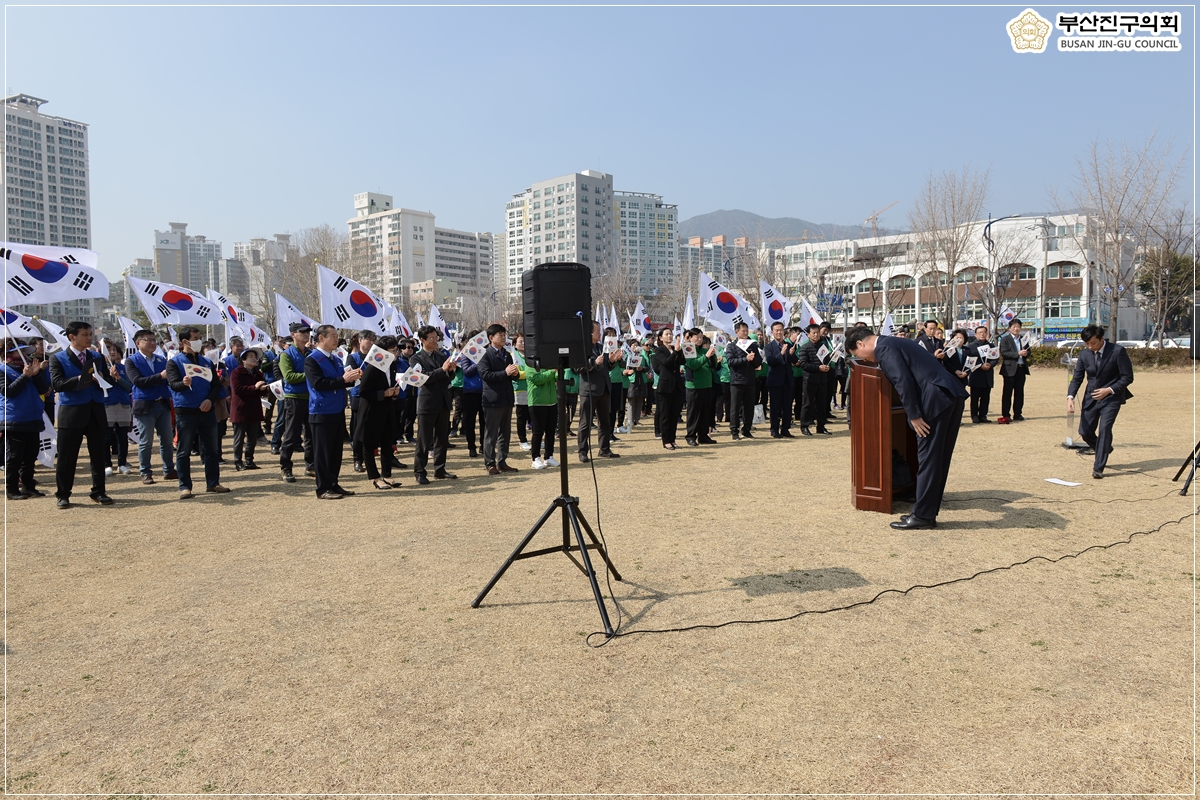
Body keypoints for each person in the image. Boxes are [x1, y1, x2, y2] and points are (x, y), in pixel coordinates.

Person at [845, 327, 968, 530]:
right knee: (939, 458)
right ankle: (925, 511)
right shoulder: (895, 342)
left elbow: (902, 380)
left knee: (929, 458)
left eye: (857, 355)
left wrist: (915, 416)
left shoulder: (883, 348)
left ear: (860, 344)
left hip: (935, 400)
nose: (864, 360)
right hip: (949, 395)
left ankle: (922, 516)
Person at [48, 321, 115, 508]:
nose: (89, 337)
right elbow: (57, 384)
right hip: (72, 411)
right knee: (67, 457)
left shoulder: (96, 356)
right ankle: (63, 494)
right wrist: (80, 378)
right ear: (72, 337)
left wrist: (110, 377)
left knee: (98, 455)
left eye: (90, 334)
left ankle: (99, 491)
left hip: (96, 410)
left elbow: (106, 380)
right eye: (84, 334)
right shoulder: (58, 358)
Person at [166, 326, 228, 499]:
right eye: (195, 338)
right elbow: (173, 385)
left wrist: (209, 399)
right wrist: (183, 383)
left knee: (212, 449)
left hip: (207, 410)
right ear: (185, 341)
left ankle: (213, 483)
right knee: (184, 450)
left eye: (199, 337)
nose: (199, 341)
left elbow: (215, 385)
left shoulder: (206, 362)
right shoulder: (174, 362)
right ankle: (185, 486)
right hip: (186, 411)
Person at [1067, 324, 1135, 479]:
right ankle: (1104, 448)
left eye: (1093, 343)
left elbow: (1127, 377)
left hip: (1112, 398)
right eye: (1087, 344)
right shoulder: (1084, 355)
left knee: (1104, 429)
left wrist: (1109, 390)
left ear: (1101, 339)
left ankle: (1098, 467)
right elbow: (1077, 378)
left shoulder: (1118, 351)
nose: (1090, 347)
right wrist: (1070, 397)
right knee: (1084, 432)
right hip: (1091, 398)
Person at [304, 324, 361, 499]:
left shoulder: (336, 359)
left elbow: (342, 382)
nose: (337, 339)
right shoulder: (312, 359)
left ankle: (333, 483)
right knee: (323, 452)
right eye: (333, 336)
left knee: (336, 451)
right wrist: (343, 379)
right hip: (321, 411)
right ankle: (323, 488)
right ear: (321, 338)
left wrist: (354, 378)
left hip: (337, 409)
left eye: (337, 336)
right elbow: (319, 384)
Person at [125, 329, 176, 485]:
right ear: (138, 343)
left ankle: (169, 469)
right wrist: (160, 376)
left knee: (167, 440)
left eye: (154, 339)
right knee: (146, 441)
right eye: (148, 340)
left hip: (162, 404)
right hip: (145, 405)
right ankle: (145, 472)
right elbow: (138, 381)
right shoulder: (131, 361)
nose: (153, 342)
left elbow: (170, 381)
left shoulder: (161, 360)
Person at [410, 325, 459, 485]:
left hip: (443, 401)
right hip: (427, 402)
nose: (435, 340)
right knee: (424, 440)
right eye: (431, 338)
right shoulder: (416, 358)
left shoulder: (440, 356)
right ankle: (420, 471)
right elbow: (422, 378)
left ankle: (440, 468)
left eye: (436, 337)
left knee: (441, 438)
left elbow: (447, 377)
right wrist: (443, 370)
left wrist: (450, 370)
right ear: (422, 340)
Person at [2, 340, 49, 500]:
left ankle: (29, 487)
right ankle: (12, 489)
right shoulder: (3, 369)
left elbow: (45, 390)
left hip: (33, 418)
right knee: (14, 457)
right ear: (9, 354)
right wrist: (25, 375)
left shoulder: (31, 369)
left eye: (26, 352)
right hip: (14, 420)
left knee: (31, 456)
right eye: (19, 352)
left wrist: (36, 375)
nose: (25, 355)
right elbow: (8, 391)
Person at [355, 334, 402, 489]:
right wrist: (383, 394)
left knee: (388, 443)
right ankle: (375, 477)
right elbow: (363, 391)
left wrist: (394, 393)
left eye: (396, 350)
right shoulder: (373, 367)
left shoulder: (393, 366)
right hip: (371, 411)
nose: (396, 354)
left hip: (387, 410)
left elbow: (389, 386)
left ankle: (387, 475)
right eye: (393, 350)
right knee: (369, 444)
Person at [576, 321, 622, 462]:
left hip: (604, 390)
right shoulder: (582, 349)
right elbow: (578, 369)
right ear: (590, 333)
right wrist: (594, 363)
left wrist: (612, 361)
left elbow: (607, 367)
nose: (600, 334)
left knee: (605, 422)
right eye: (597, 331)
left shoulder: (602, 347)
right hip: (589, 390)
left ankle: (604, 449)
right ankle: (582, 452)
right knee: (585, 423)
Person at [478, 323, 519, 475]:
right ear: (491, 338)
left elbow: (509, 374)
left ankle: (502, 461)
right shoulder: (484, 354)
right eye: (499, 335)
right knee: (491, 434)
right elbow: (486, 375)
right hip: (492, 400)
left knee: (505, 433)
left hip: (507, 398)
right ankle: (490, 463)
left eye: (504, 335)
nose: (503, 338)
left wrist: (514, 374)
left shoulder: (507, 354)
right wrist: (505, 372)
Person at [279, 323, 315, 483]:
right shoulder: (286, 355)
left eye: (307, 332)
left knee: (311, 434)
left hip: (310, 398)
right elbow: (289, 377)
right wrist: (310, 374)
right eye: (302, 332)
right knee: (291, 434)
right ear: (293, 334)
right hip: (294, 398)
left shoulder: (310, 353)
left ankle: (311, 465)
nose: (306, 334)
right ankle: (286, 467)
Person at [229, 348, 269, 471]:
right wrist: (255, 387)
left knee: (252, 438)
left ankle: (249, 460)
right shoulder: (237, 372)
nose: (254, 358)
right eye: (250, 356)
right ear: (243, 360)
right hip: (241, 410)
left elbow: (262, 391)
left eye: (255, 356)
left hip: (254, 409)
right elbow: (237, 390)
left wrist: (263, 389)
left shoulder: (258, 373)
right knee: (239, 438)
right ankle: (238, 461)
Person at [99, 339, 134, 476]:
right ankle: (107, 464)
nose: (112, 352)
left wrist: (118, 378)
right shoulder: (100, 368)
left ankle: (122, 463)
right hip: (106, 404)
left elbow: (129, 387)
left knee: (122, 436)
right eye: (109, 349)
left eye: (114, 350)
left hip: (123, 404)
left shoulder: (123, 368)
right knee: (106, 437)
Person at [652, 326, 685, 450]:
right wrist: (675, 352)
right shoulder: (659, 350)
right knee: (665, 415)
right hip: (665, 386)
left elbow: (683, 361)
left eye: (670, 334)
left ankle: (673, 439)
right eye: (666, 334)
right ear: (660, 337)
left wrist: (679, 351)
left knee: (674, 414)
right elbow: (666, 363)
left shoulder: (674, 349)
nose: (669, 336)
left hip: (677, 385)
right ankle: (666, 440)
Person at [724, 321, 759, 440]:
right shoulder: (731, 346)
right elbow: (731, 362)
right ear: (736, 332)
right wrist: (745, 359)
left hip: (750, 381)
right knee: (735, 407)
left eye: (746, 331)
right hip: (737, 381)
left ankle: (747, 430)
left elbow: (758, 362)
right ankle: (734, 431)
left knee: (749, 407)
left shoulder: (753, 345)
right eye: (743, 331)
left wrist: (754, 360)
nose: (745, 333)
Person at [347, 329, 375, 472]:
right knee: (358, 430)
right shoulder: (353, 357)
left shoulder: (377, 356)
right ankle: (357, 459)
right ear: (360, 340)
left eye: (373, 339)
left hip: (375, 396)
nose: (371, 342)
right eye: (368, 339)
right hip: (359, 396)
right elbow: (352, 375)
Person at [683, 328, 717, 447]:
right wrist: (706, 356)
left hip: (707, 385)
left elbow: (714, 366)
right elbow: (693, 365)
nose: (699, 339)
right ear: (690, 338)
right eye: (697, 337)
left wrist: (712, 355)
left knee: (705, 412)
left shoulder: (703, 349)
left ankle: (703, 436)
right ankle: (690, 436)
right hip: (694, 386)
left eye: (701, 337)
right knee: (693, 412)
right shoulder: (688, 349)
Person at [797, 323, 833, 435]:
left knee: (821, 404)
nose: (816, 335)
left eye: (817, 332)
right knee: (808, 404)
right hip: (810, 380)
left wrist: (828, 363)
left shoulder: (823, 346)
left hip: (822, 380)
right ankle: (805, 426)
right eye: (814, 333)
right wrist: (818, 368)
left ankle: (821, 426)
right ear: (808, 334)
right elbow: (803, 364)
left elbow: (826, 360)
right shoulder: (805, 347)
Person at [764, 321, 797, 438]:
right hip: (775, 381)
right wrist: (781, 353)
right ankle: (774, 429)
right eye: (776, 330)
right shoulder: (769, 347)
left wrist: (792, 354)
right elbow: (771, 361)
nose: (779, 332)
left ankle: (785, 429)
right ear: (772, 332)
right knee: (775, 407)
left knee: (787, 406)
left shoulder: (788, 345)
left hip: (787, 380)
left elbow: (794, 361)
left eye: (781, 330)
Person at [526, 358, 559, 469]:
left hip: (552, 401)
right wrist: (553, 371)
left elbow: (555, 377)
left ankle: (549, 456)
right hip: (537, 402)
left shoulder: (549, 363)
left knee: (550, 431)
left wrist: (559, 372)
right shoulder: (530, 363)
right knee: (538, 432)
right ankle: (535, 458)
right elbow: (538, 379)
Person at [456, 330, 484, 459]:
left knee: (485, 421)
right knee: (470, 421)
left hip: (485, 391)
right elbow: (466, 371)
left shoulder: (486, 353)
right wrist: (478, 361)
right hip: (470, 392)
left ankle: (484, 445)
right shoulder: (466, 354)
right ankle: (471, 447)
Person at [998, 318, 1031, 423]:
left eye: (1018, 327)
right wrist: (1017, 354)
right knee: (1007, 393)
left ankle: (1018, 413)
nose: (1016, 329)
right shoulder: (1005, 339)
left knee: (1019, 393)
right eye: (1014, 327)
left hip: (1021, 369)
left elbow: (1029, 351)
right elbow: (1004, 353)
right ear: (1010, 328)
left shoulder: (1023, 339)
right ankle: (1006, 414)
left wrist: (1026, 354)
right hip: (1009, 369)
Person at [964, 325, 998, 424]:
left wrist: (990, 365)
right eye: (980, 332)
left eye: (984, 332)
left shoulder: (991, 346)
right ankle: (974, 416)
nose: (982, 334)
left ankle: (983, 415)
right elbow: (969, 360)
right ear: (975, 335)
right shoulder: (970, 347)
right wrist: (980, 365)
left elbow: (995, 358)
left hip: (987, 375)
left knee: (986, 397)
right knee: (975, 397)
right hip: (976, 375)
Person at [512, 332, 532, 451]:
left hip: (532, 389)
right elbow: (517, 374)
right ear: (514, 345)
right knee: (521, 416)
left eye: (525, 341)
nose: (523, 343)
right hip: (520, 390)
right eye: (520, 341)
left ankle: (536, 439)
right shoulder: (513, 355)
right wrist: (530, 373)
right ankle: (522, 440)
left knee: (533, 417)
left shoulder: (531, 355)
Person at [942, 328, 971, 395]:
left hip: (963, 377)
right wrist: (955, 371)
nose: (959, 339)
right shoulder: (948, 349)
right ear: (953, 338)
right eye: (957, 337)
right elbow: (946, 362)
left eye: (961, 338)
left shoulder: (967, 350)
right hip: (952, 376)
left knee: (962, 398)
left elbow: (970, 362)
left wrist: (966, 372)